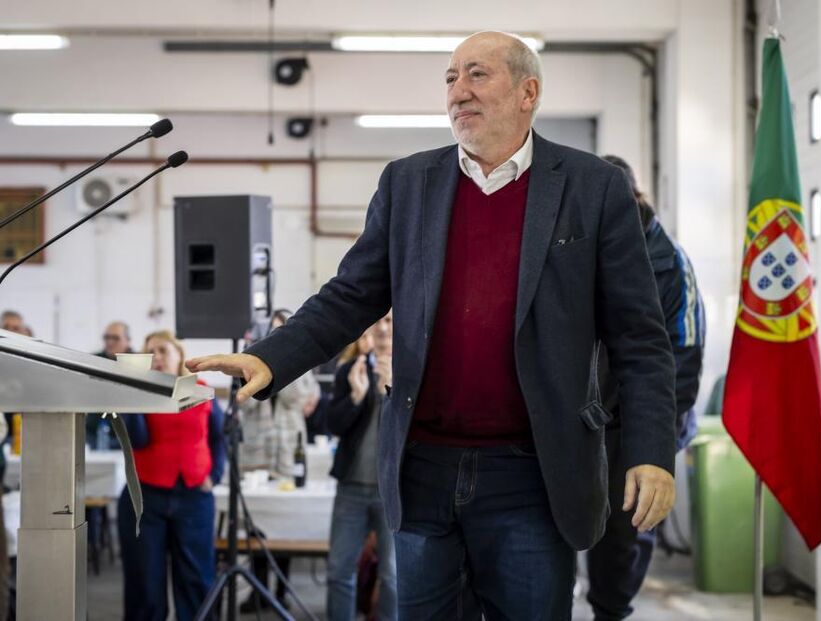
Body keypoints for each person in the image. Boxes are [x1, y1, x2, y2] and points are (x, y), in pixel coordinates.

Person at [187, 31, 677, 619]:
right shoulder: (407, 183)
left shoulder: (592, 186)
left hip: (534, 475)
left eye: (477, 75)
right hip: (423, 469)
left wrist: (650, 450)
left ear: (529, 92)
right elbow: (351, 294)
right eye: (450, 78)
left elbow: (640, 338)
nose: (458, 92)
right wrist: (272, 357)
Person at [586, 155, 706, 621]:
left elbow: (686, 348)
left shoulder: (668, 260)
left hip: (647, 415)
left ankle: (611, 611)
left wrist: (656, 436)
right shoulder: (583, 243)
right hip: (591, 413)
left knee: (627, 525)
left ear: (633, 199)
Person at [117, 330, 226, 621]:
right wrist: (131, 394)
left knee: (196, 581)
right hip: (145, 499)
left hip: (194, 498)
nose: (157, 357)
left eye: (164, 350)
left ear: (180, 354)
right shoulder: (141, 393)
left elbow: (219, 438)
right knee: (146, 585)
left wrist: (215, 475)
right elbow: (137, 440)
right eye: (150, 352)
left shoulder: (203, 391)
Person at [238, 309, 322, 612]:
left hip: (288, 449)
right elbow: (243, 401)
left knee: (285, 521)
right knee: (258, 523)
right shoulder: (247, 357)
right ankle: (257, 589)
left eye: (280, 332)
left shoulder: (303, 361)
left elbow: (296, 399)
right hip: (256, 449)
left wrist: (281, 363)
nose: (274, 339)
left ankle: (281, 590)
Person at [325, 314, 397, 620]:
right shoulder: (349, 371)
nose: (382, 328)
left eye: (390, 321)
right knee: (339, 570)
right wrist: (355, 397)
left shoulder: (413, 369)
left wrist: (390, 391)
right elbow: (332, 425)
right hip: (351, 488)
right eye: (378, 321)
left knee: (393, 575)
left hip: (392, 492)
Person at [88, 321, 135, 449]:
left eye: (115, 338)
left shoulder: (139, 363)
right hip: (96, 429)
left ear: (128, 340)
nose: (110, 342)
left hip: (131, 431)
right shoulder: (93, 361)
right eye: (107, 337)